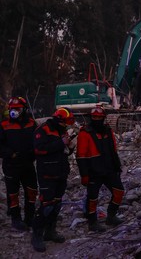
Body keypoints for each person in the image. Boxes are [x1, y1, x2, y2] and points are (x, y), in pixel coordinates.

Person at [31, 107, 76, 253]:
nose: (67, 125)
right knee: (47, 205)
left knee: (56, 204)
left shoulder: (60, 130)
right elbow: (39, 150)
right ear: (59, 120)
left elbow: (64, 151)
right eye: (66, 122)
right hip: (47, 174)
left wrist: (69, 146)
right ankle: (37, 235)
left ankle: (50, 231)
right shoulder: (42, 130)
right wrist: (60, 143)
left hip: (60, 172)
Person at [76, 106, 124, 232]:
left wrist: (117, 166)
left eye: (99, 117)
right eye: (94, 117)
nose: (96, 119)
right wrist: (84, 175)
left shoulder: (108, 131)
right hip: (93, 171)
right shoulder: (84, 133)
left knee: (119, 191)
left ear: (103, 118)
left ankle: (111, 216)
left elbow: (113, 150)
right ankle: (92, 222)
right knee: (93, 198)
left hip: (109, 169)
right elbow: (81, 156)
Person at [0, 97, 37, 231]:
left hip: (28, 164)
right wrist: (10, 153)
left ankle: (30, 217)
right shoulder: (4, 125)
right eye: (12, 109)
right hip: (11, 165)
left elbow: (37, 141)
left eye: (17, 109)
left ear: (24, 109)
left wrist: (34, 153)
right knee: (13, 193)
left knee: (32, 191)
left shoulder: (31, 124)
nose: (14, 111)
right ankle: (16, 218)